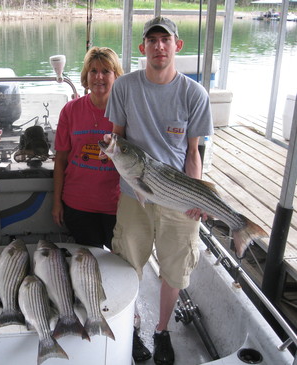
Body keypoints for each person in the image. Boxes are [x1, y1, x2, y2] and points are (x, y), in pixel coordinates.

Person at [105, 17, 213, 364]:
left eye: (165, 40)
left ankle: (162, 331)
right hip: (133, 193)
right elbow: (117, 139)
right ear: (143, 49)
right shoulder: (124, 87)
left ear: (177, 46)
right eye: (152, 41)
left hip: (178, 195)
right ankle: (133, 327)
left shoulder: (194, 94)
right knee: (129, 263)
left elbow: (193, 152)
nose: (159, 47)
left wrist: (196, 195)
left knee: (175, 270)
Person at [52, 46, 123, 249]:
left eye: (106, 71)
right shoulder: (70, 110)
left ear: (116, 76)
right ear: (86, 76)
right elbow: (61, 159)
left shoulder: (125, 112)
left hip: (116, 205)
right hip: (77, 204)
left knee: (118, 263)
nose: (99, 77)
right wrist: (57, 202)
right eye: (93, 71)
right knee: (88, 262)